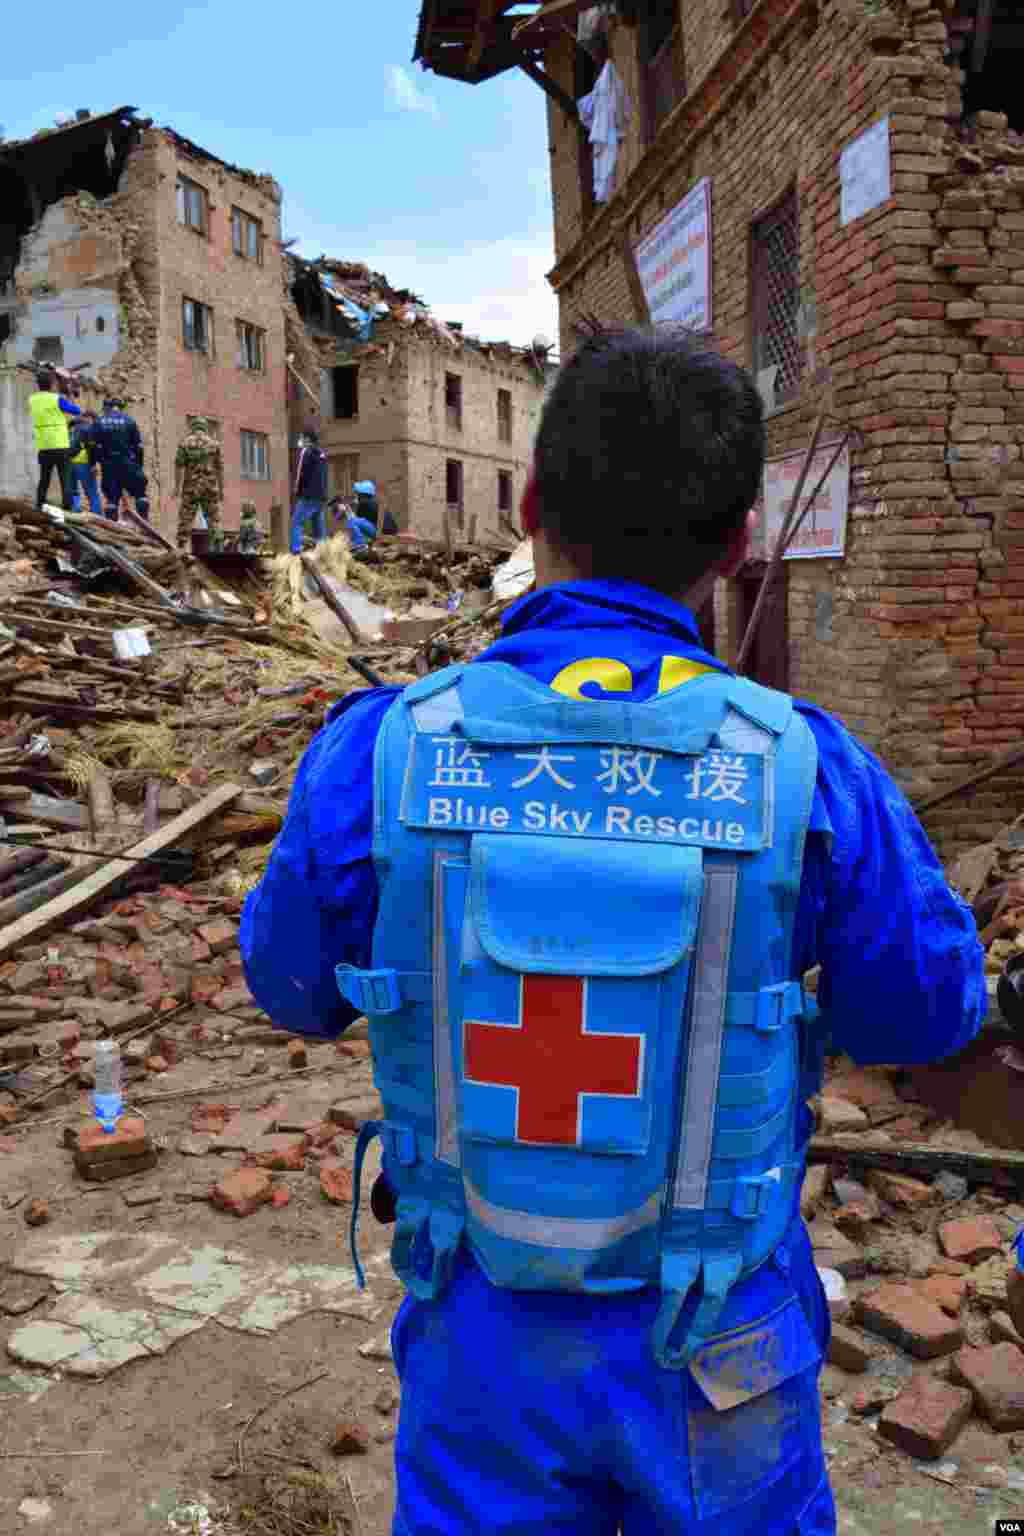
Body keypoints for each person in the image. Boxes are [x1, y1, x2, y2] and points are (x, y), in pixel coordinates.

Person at [241, 329, 985, 1536]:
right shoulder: (805, 768)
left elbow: (290, 988)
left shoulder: (380, 751)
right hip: (717, 1329)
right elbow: (925, 1012)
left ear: (531, 506)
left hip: (480, 1325)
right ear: (737, 542)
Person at [28, 369, 80, 511]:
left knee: (44, 478)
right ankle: (67, 508)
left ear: (38, 384)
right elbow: (76, 410)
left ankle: (39, 505)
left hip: (44, 445)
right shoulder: (56, 399)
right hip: (60, 444)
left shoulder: (32, 400)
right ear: (51, 384)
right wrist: (69, 394)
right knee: (65, 478)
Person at [92, 397, 150, 523]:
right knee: (140, 493)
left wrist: (97, 462)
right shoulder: (130, 421)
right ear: (121, 407)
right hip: (128, 463)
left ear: (108, 407)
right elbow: (138, 447)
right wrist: (139, 465)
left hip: (109, 465)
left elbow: (94, 446)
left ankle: (112, 527)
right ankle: (145, 522)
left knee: (111, 499)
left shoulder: (99, 421)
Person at [173, 417, 224, 550]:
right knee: (213, 518)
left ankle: (180, 548)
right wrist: (221, 489)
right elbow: (219, 468)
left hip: (191, 487)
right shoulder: (214, 444)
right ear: (205, 427)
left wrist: (177, 488)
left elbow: (178, 466)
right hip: (209, 487)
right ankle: (218, 548)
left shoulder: (185, 443)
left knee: (185, 518)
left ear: (192, 427)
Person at [290, 429, 328, 552]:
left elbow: (301, 473)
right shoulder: (322, 453)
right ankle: (323, 550)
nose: (300, 440)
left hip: (308, 495)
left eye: (301, 437)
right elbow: (324, 475)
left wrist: (297, 490)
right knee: (318, 525)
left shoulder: (306, 452)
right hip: (321, 495)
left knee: (296, 522)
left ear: (307, 439)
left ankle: (296, 550)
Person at [67, 410, 103, 517]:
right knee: (92, 491)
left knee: (73, 490)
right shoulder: (87, 428)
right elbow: (91, 448)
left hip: (67, 462)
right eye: (94, 420)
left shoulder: (69, 427)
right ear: (89, 418)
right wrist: (93, 464)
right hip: (83, 463)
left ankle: (75, 511)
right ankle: (96, 515)